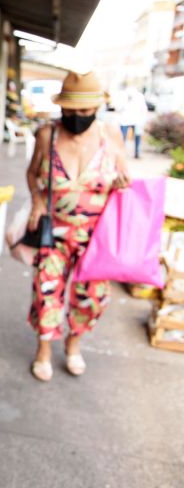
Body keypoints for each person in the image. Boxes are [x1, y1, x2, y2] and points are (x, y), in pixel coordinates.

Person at [25, 71, 130, 382]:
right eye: (69, 110)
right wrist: (38, 201)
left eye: (83, 112)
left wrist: (123, 183)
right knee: (46, 292)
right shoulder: (48, 135)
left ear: (96, 108)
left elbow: (124, 179)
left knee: (91, 297)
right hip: (54, 231)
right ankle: (44, 348)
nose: (75, 117)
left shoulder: (111, 136)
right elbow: (33, 174)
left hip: (97, 236)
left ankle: (73, 344)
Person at [117, 87, 148, 159]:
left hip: (136, 120)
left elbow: (143, 108)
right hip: (125, 120)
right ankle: (123, 152)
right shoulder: (123, 96)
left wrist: (143, 119)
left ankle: (136, 153)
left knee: (136, 136)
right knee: (123, 137)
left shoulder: (139, 97)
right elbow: (118, 107)